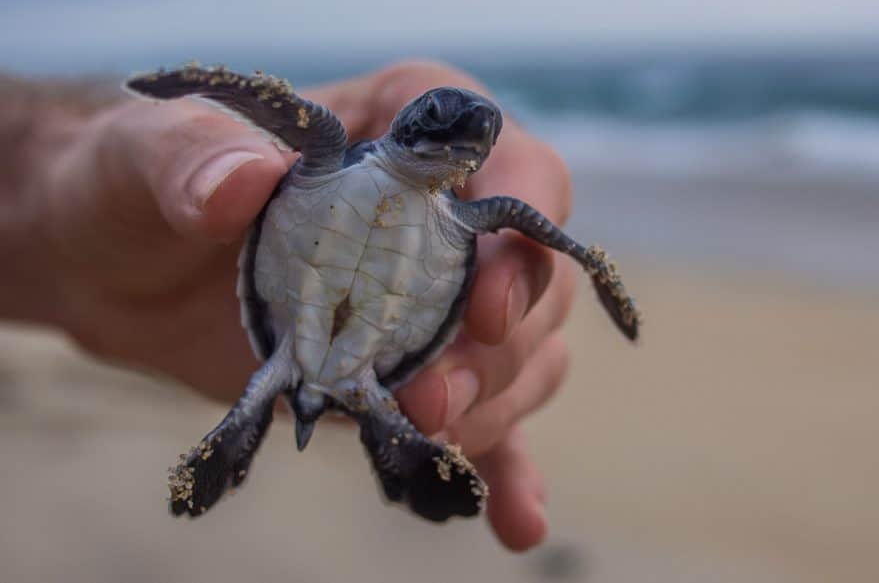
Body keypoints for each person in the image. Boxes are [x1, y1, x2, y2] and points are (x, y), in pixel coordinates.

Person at [0, 60, 574, 552]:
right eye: (443, 118)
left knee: (328, 397)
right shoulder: (328, 150)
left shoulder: (472, 214)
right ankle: (332, 423)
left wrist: (584, 261)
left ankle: (383, 440)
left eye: (479, 134)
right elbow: (264, 104)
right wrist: (192, 90)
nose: (465, 132)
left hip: (355, 359)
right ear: (409, 123)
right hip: (293, 337)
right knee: (274, 385)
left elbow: (546, 235)